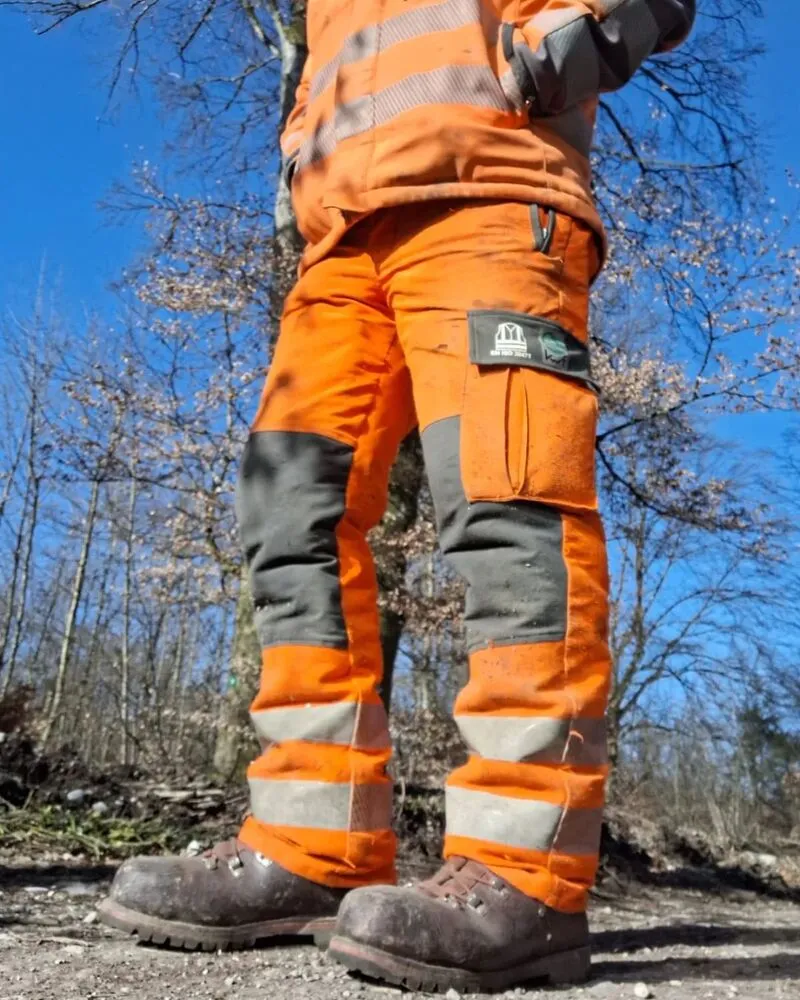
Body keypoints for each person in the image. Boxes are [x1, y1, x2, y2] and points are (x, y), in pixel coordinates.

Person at [98, 0, 696, 991]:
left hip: (493, 193)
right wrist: (304, 153)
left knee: (511, 502)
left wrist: (588, 31)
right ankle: (307, 842)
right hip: (339, 239)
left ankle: (522, 866)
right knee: (288, 511)